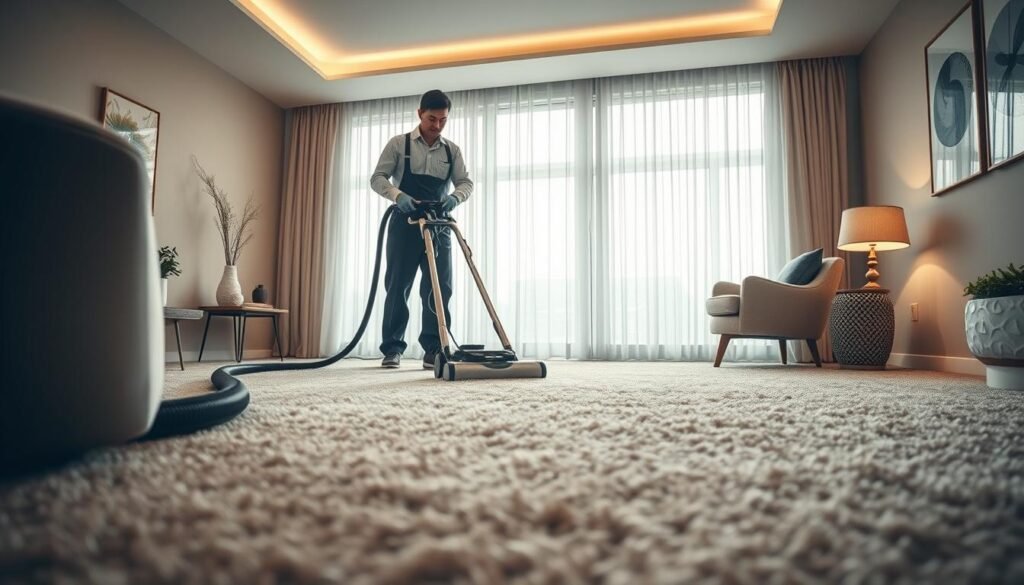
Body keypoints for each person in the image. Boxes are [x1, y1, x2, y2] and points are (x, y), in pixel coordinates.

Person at [370, 89, 473, 369]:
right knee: (398, 286)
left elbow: (465, 183)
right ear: (419, 114)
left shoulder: (452, 150)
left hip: (439, 226)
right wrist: (398, 196)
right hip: (405, 224)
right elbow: (377, 177)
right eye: (431, 119)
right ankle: (392, 348)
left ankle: (435, 349)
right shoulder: (399, 144)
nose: (436, 125)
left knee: (439, 288)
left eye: (442, 120)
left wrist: (454, 198)